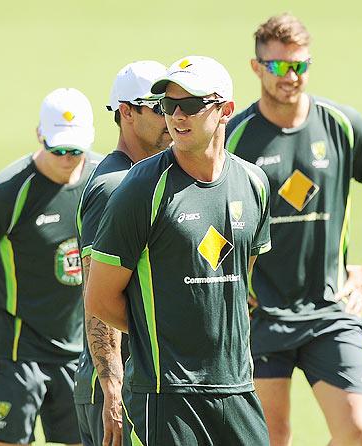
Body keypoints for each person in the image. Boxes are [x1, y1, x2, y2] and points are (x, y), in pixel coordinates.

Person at [226, 13, 362, 446]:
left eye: (299, 66)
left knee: (361, 433)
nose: (291, 76)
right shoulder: (234, 136)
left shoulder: (341, 125)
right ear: (256, 68)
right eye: (278, 66)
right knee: (273, 437)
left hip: (330, 312)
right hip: (259, 316)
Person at [85, 56, 272, 446]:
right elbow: (100, 299)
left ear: (225, 111)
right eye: (169, 105)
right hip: (166, 394)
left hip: (237, 387)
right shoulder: (139, 188)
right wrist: (165, 335)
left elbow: (239, 284)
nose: (177, 116)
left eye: (191, 105)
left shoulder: (254, 184)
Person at [0, 87, 102, 445]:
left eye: (76, 149)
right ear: (40, 135)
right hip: (15, 351)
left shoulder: (104, 181)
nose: (68, 157)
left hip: (80, 350)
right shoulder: (4, 195)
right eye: (58, 148)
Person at [74, 60, 170, 446]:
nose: (172, 116)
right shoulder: (116, 185)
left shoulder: (143, 177)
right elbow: (98, 295)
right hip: (119, 388)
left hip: (138, 381)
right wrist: (112, 387)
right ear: (126, 112)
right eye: (159, 107)